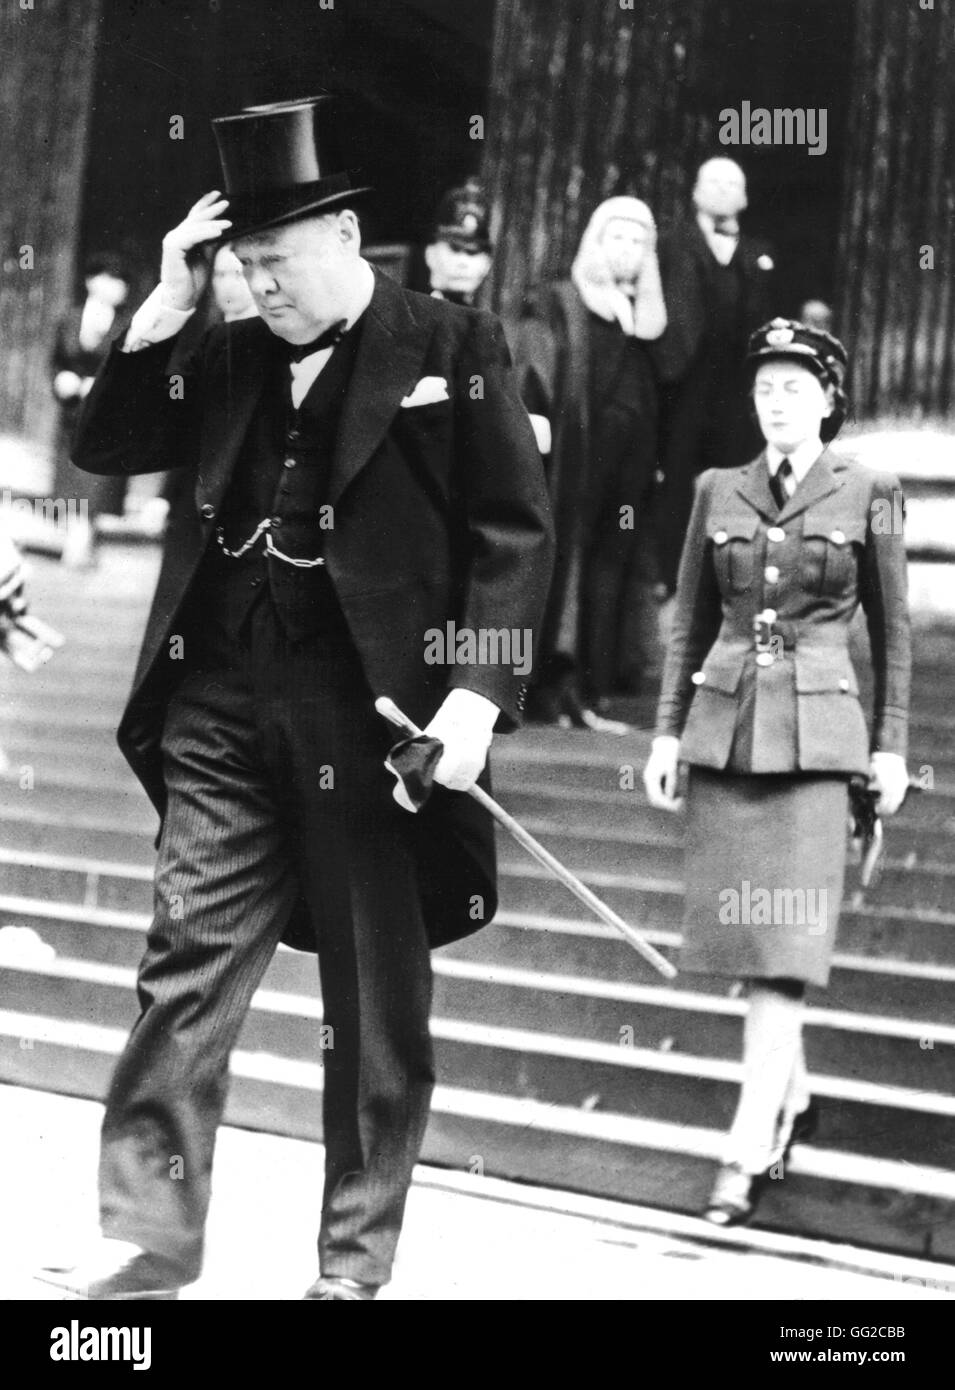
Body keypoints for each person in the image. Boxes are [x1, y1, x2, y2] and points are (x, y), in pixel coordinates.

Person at [39, 95, 553, 1301]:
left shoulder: (455, 345)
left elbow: (512, 532)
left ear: (342, 237)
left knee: (374, 1008)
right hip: (219, 704)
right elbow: (105, 448)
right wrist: (169, 303)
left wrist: (475, 699)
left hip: (378, 727)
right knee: (185, 966)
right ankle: (149, 1241)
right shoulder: (221, 348)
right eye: (241, 265)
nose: (258, 286)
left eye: (275, 262)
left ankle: (351, 1267)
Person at [643, 317, 911, 1226]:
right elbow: (688, 623)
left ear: (830, 400)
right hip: (726, 736)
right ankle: (790, 1099)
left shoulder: (869, 488)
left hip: (818, 749)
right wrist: (663, 736)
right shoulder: (717, 489)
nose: (777, 399)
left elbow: (895, 631)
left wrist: (890, 746)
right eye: (764, 385)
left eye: (795, 385)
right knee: (746, 949)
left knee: (782, 952)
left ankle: (746, 1141)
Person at [513, 197, 667, 730]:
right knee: (569, 561)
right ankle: (555, 684)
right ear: (594, 243)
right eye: (616, 238)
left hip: (630, 465)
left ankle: (593, 687)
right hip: (578, 458)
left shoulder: (642, 318)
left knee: (612, 565)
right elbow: (533, 369)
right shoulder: (559, 302)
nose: (626, 251)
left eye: (638, 242)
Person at [653, 158, 776, 595]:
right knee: (677, 477)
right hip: (684, 380)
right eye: (714, 181)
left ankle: (728, 579)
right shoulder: (670, 244)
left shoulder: (757, 253)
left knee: (734, 478)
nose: (723, 190)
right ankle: (670, 577)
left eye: (733, 183)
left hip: (736, 385)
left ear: (743, 197)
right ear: (696, 192)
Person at [51, 253, 133, 567]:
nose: (117, 287)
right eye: (110, 279)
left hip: (108, 416)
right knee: (71, 475)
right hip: (73, 412)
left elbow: (134, 372)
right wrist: (60, 380)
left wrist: (96, 387)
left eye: (121, 282)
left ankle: (82, 540)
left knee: (94, 478)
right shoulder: (70, 318)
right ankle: (77, 535)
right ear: (91, 281)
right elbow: (57, 361)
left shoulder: (130, 325)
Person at [423, 179, 494, 307]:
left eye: (472, 253)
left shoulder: (482, 322)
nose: (462, 263)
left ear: (487, 263)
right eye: (454, 249)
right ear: (430, 254)